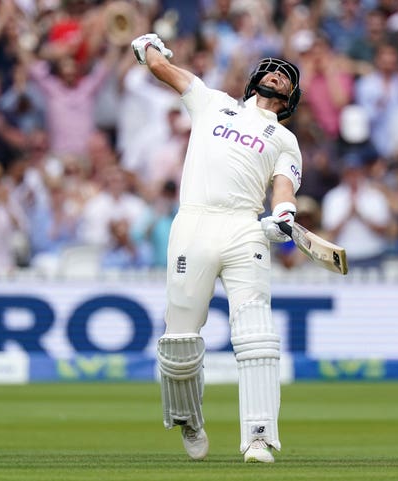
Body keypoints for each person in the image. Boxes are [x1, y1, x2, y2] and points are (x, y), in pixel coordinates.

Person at [130, 33, 303, 463]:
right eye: (273, 70)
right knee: (179, 341)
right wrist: (149, 44)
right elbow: (159, 67)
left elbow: (284, 187)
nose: (279, 76)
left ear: (290, 98)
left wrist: (283, 215)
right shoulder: (211, 101)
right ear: (255, 80)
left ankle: (259, 437)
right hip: (194, 221)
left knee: (257, 333)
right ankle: (188, 419)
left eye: (287, 77)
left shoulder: (285, 140)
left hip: (245, 227)